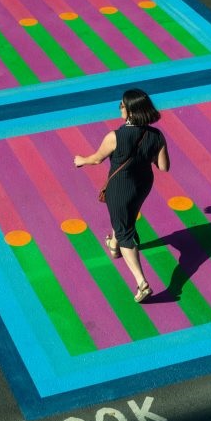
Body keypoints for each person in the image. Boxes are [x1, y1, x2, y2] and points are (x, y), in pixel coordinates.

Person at [74, 89, 170, 303]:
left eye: (122, 105)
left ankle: (142, 282)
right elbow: (163, 167)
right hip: (143, 185)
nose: (120, 107)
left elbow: (96, 159)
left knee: (125, 231)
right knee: (125, 220)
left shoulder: (115, 136)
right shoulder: (157, 135)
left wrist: (81, 159)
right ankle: (114, 244)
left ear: (132, 111)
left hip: (120, 188)